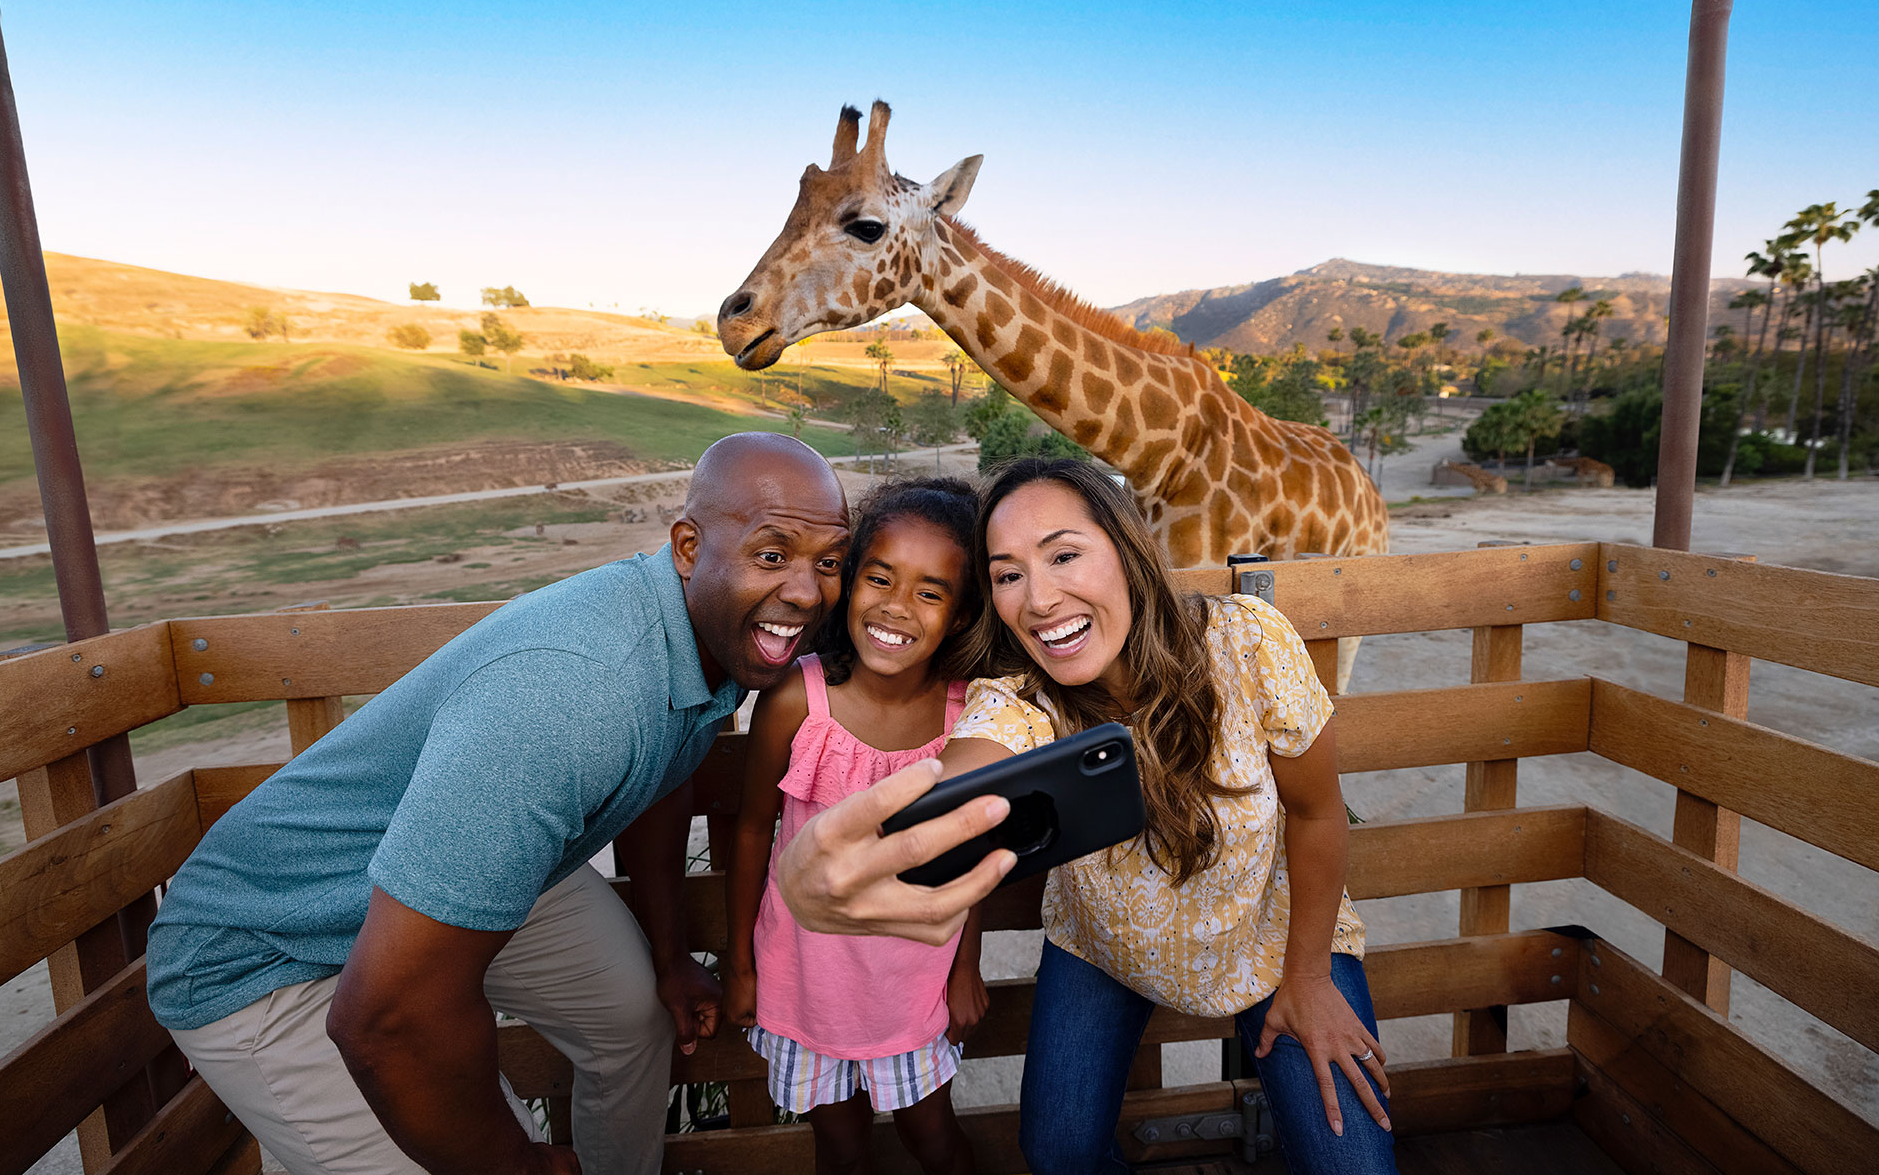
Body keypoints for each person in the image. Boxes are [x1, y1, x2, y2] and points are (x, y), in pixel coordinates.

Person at [145, 432, 849, 1175]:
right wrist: (522, 1166)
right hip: (266, 955)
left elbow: (661, 771)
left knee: (633, 1018)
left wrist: (671, 955)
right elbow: (387, 1020)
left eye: (827, 561)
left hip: (455, 869)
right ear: (686, 546)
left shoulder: (710, 634)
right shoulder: (574, 696)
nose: (807, 591)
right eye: (772, 554)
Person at [939, 456, 1395, 1175]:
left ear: (1126, 549)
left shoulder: (1247, 644)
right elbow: (964, 773)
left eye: (1063, 554)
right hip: (1106, 944)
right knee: (1058, 1153)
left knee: (1356, 1169)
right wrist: (899, 830)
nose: (1039, 598)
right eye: (1007, 574)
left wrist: (1308, 976)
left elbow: (1316, 812)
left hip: (1277, 934)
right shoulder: (1022, 699)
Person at [725, 478, 987, 1175]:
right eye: (879, 577)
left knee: (933, 1136)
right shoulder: (795, 701)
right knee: (839, 1146)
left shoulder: (969, 720)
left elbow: (973, 854)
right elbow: (752, 831)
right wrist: (741, 966)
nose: (897, 607)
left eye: (930, 592)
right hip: (807, 979)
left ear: (960, 616)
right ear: (849, 582)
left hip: (914, 981)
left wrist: (967, 967)